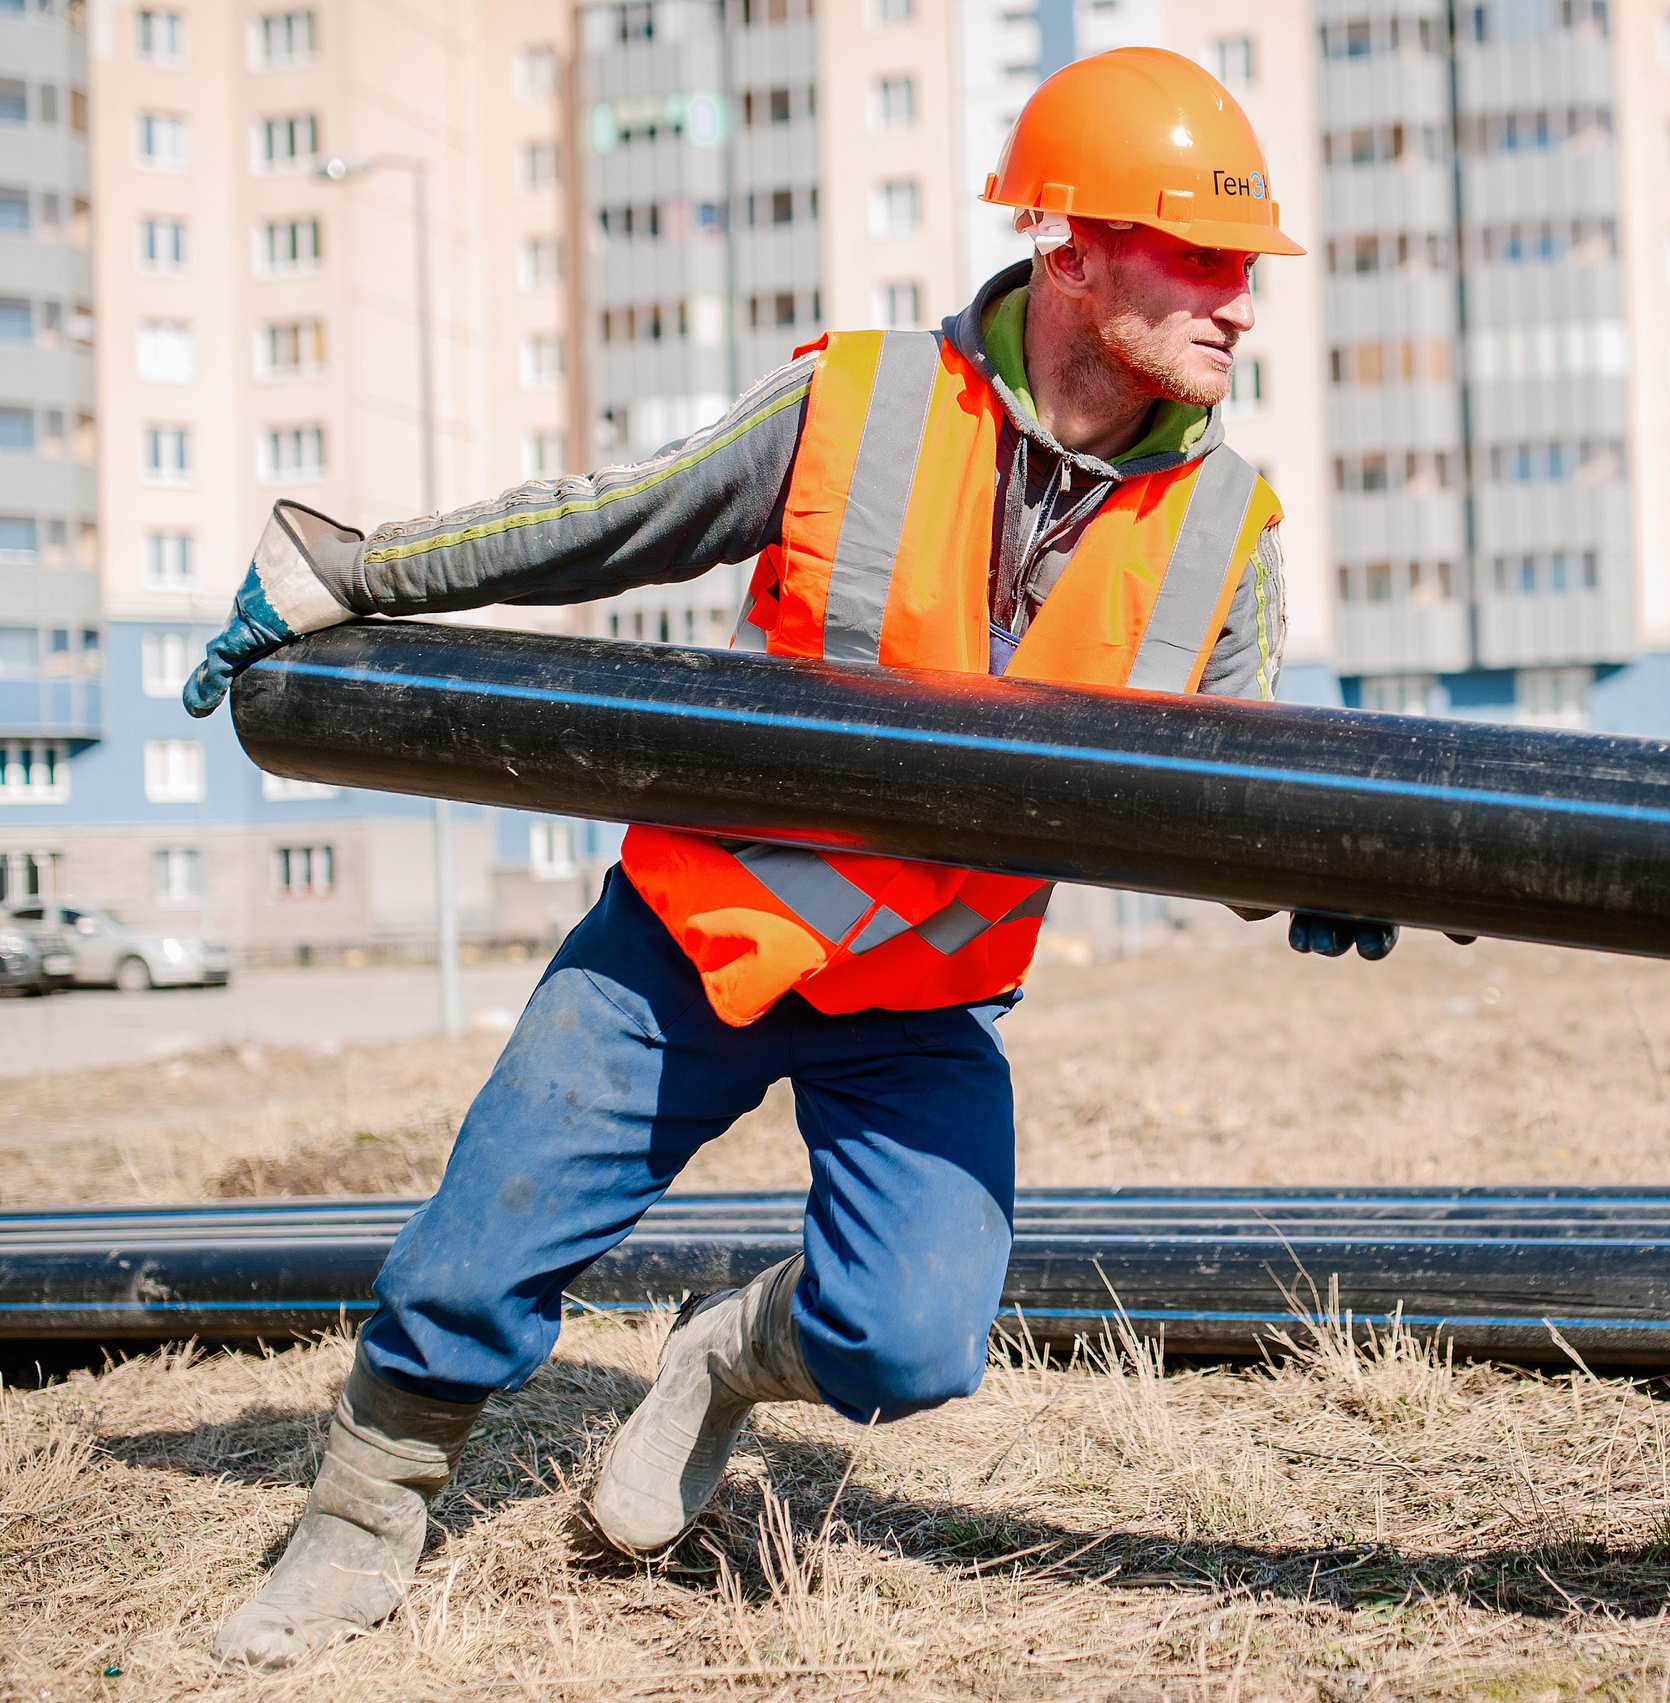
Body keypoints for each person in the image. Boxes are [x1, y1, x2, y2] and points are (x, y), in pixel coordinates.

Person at [184, 47, 1397, 1668]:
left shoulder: (1228, 524)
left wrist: (1325, 861)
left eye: (1247, 267)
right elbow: (613, 515)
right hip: (705, 926)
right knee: (484, 1236)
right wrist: (356, 571)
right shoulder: (865, 403)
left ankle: (720, 1362)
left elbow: (1213, 782)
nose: (1240, 302)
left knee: (913, 1340)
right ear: (1072, 249)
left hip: (924, 991)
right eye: (1199, 255)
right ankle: (361, 1515)